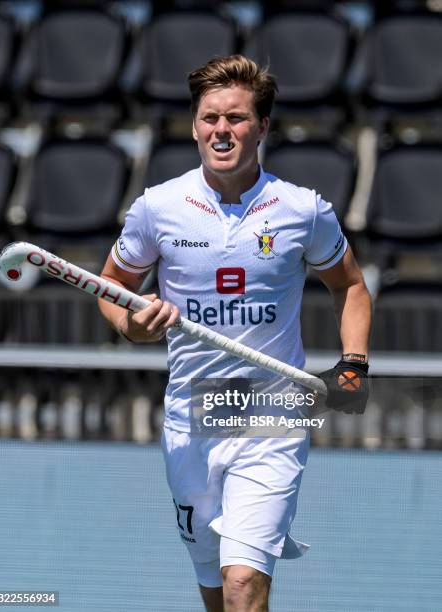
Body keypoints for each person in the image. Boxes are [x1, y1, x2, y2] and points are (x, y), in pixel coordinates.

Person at [98, 55, 372, 612]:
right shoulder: (158, 208)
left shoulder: (302, 209)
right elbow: (111, 285)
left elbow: (351, 287)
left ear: (263, 127)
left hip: (270, 420)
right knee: (217, 593)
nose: (222, 130)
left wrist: (354, 362)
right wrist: (134, 323)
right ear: (196, 125)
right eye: (210, 118)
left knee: (244, 583)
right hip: (190, 420)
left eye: (238, 118)